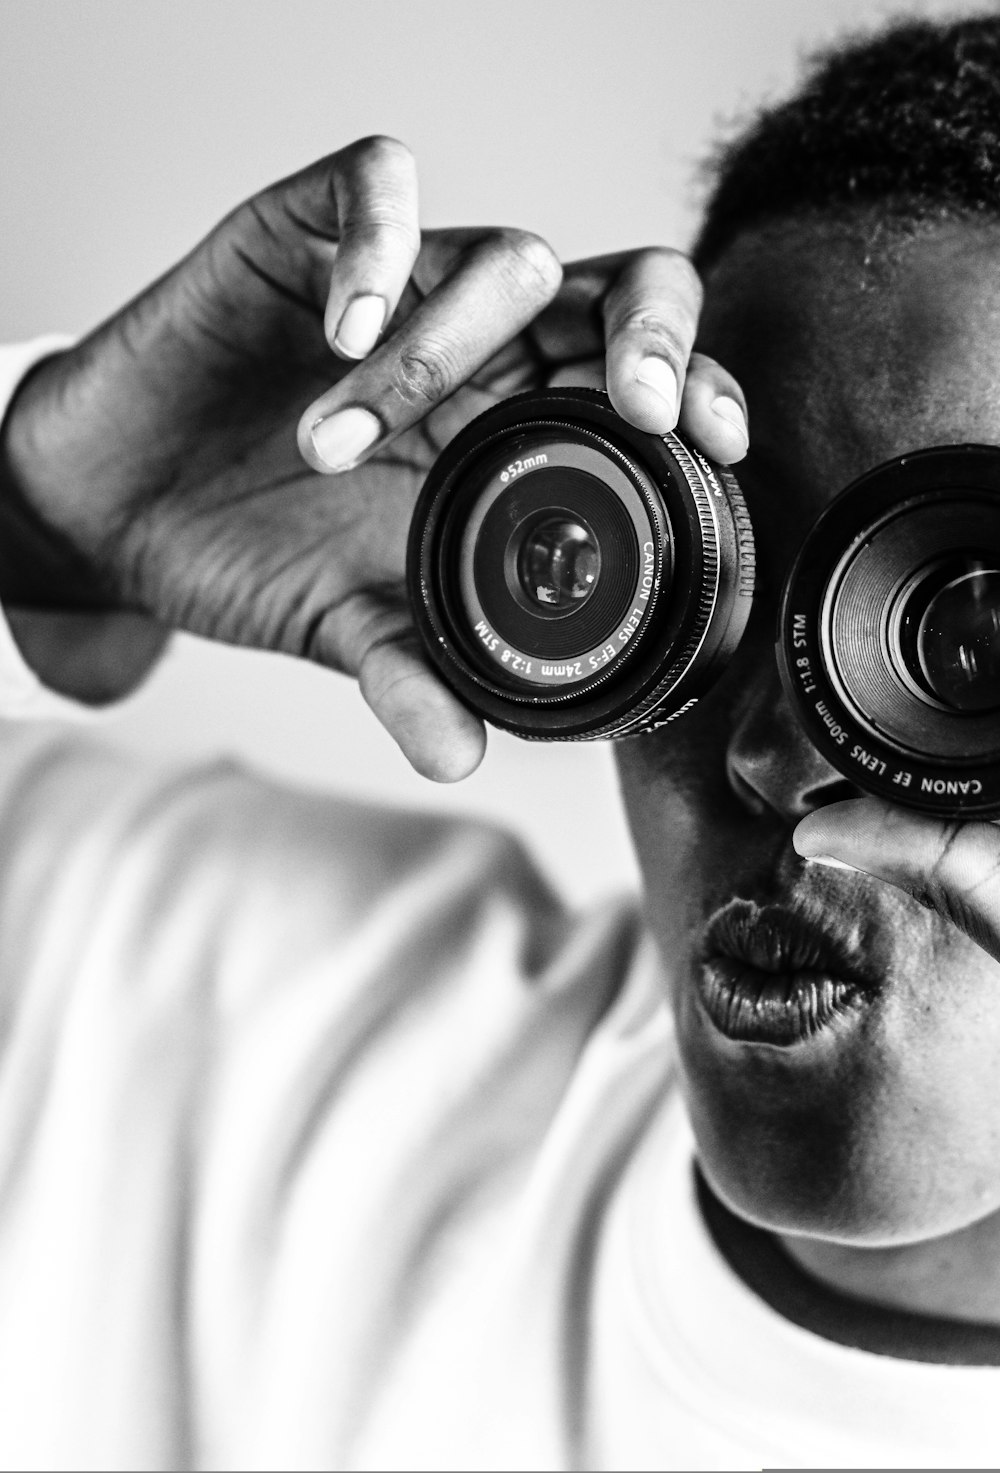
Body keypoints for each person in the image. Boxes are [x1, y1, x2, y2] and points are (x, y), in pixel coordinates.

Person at [0, 9, 999, 1469]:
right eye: (707, 590)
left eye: (966, 635)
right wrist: (43, 517)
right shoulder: (226, 1025)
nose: (777, 765)